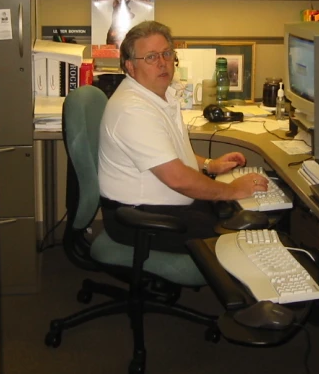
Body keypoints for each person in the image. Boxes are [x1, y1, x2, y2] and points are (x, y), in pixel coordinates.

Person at [98, 20, 268, 253]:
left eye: (166, 53)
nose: (162, 63)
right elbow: (177, 178)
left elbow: (169, 152)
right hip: (141, 219)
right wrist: (234, 190)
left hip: (167, 206)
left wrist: (210, 165)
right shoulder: (133, 109)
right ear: (130, 66)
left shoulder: (160, 95)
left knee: (238, 214)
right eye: (150, 57)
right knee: (241, 237)